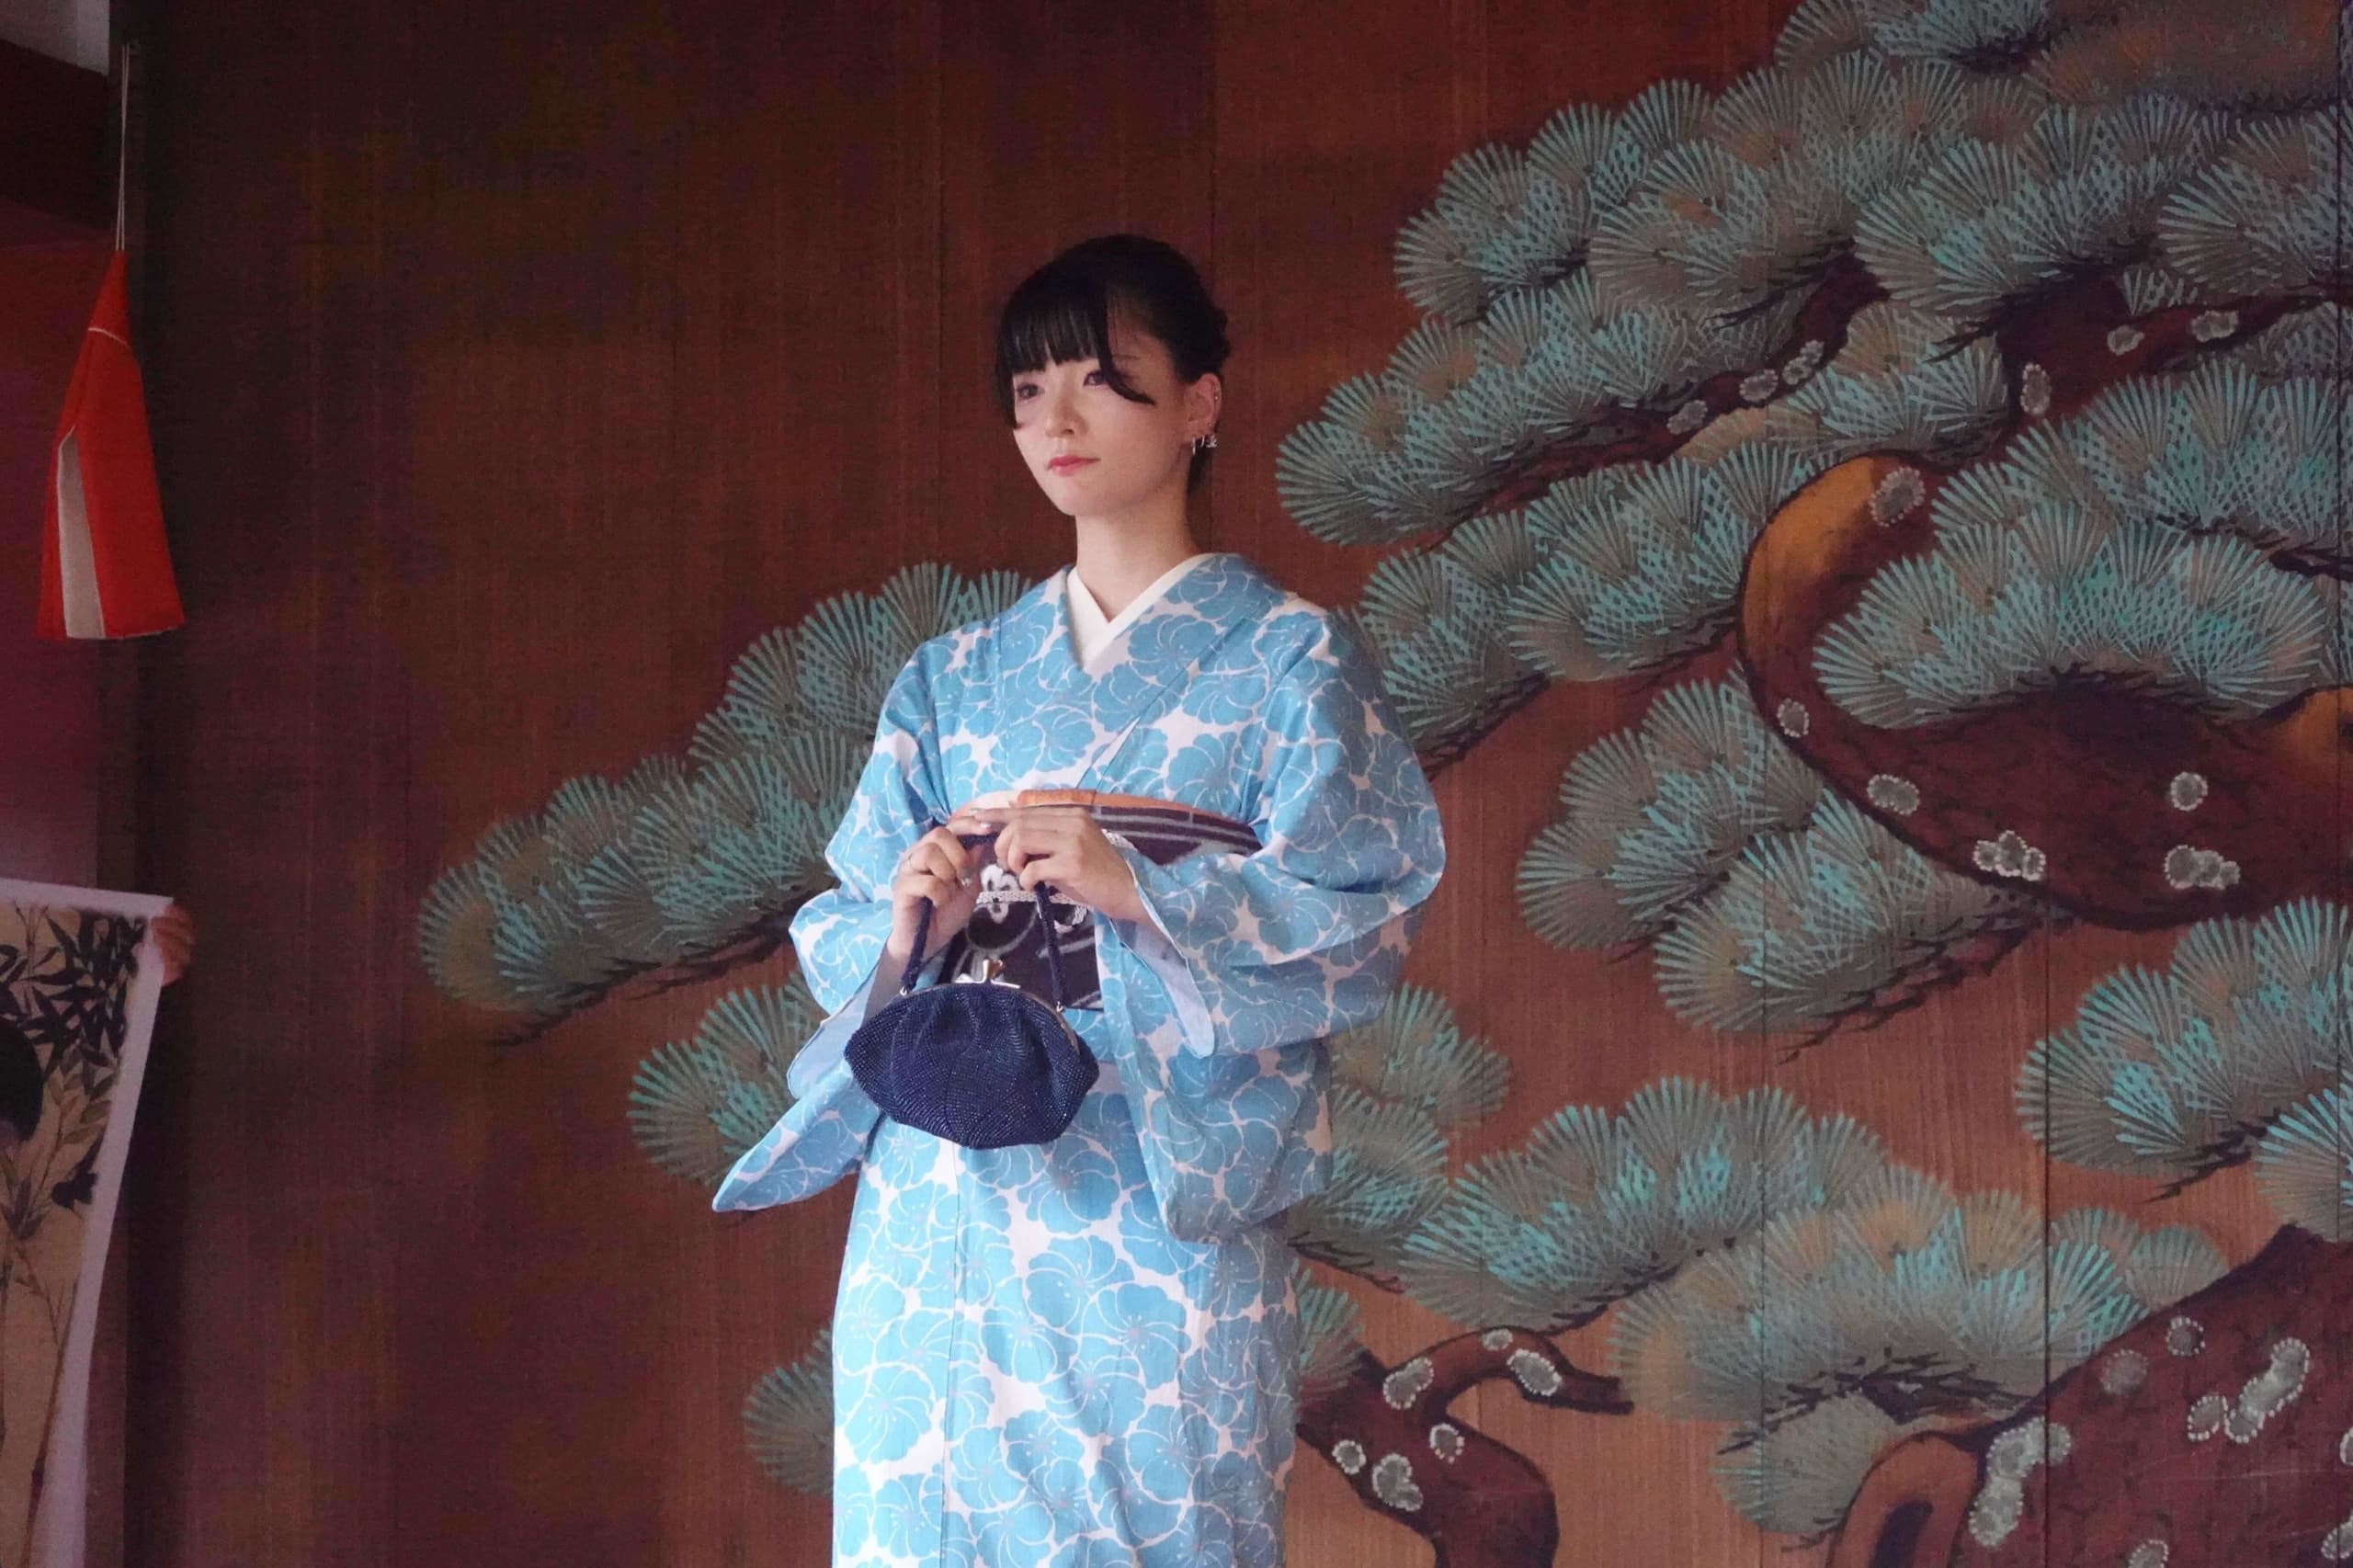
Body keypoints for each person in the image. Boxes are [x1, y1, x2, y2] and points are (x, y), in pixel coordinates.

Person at [714, 234, 1445, 1566]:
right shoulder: (952, 677)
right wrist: (913, 926)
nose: (1055, 420)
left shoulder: (1291, 655)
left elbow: (1362, 908)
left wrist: (1142, 890)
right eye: (1027, 389)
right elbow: (850, 912)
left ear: (1199, 403)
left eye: (1099, 380)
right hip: (948, 1194)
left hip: (1155, 1186)